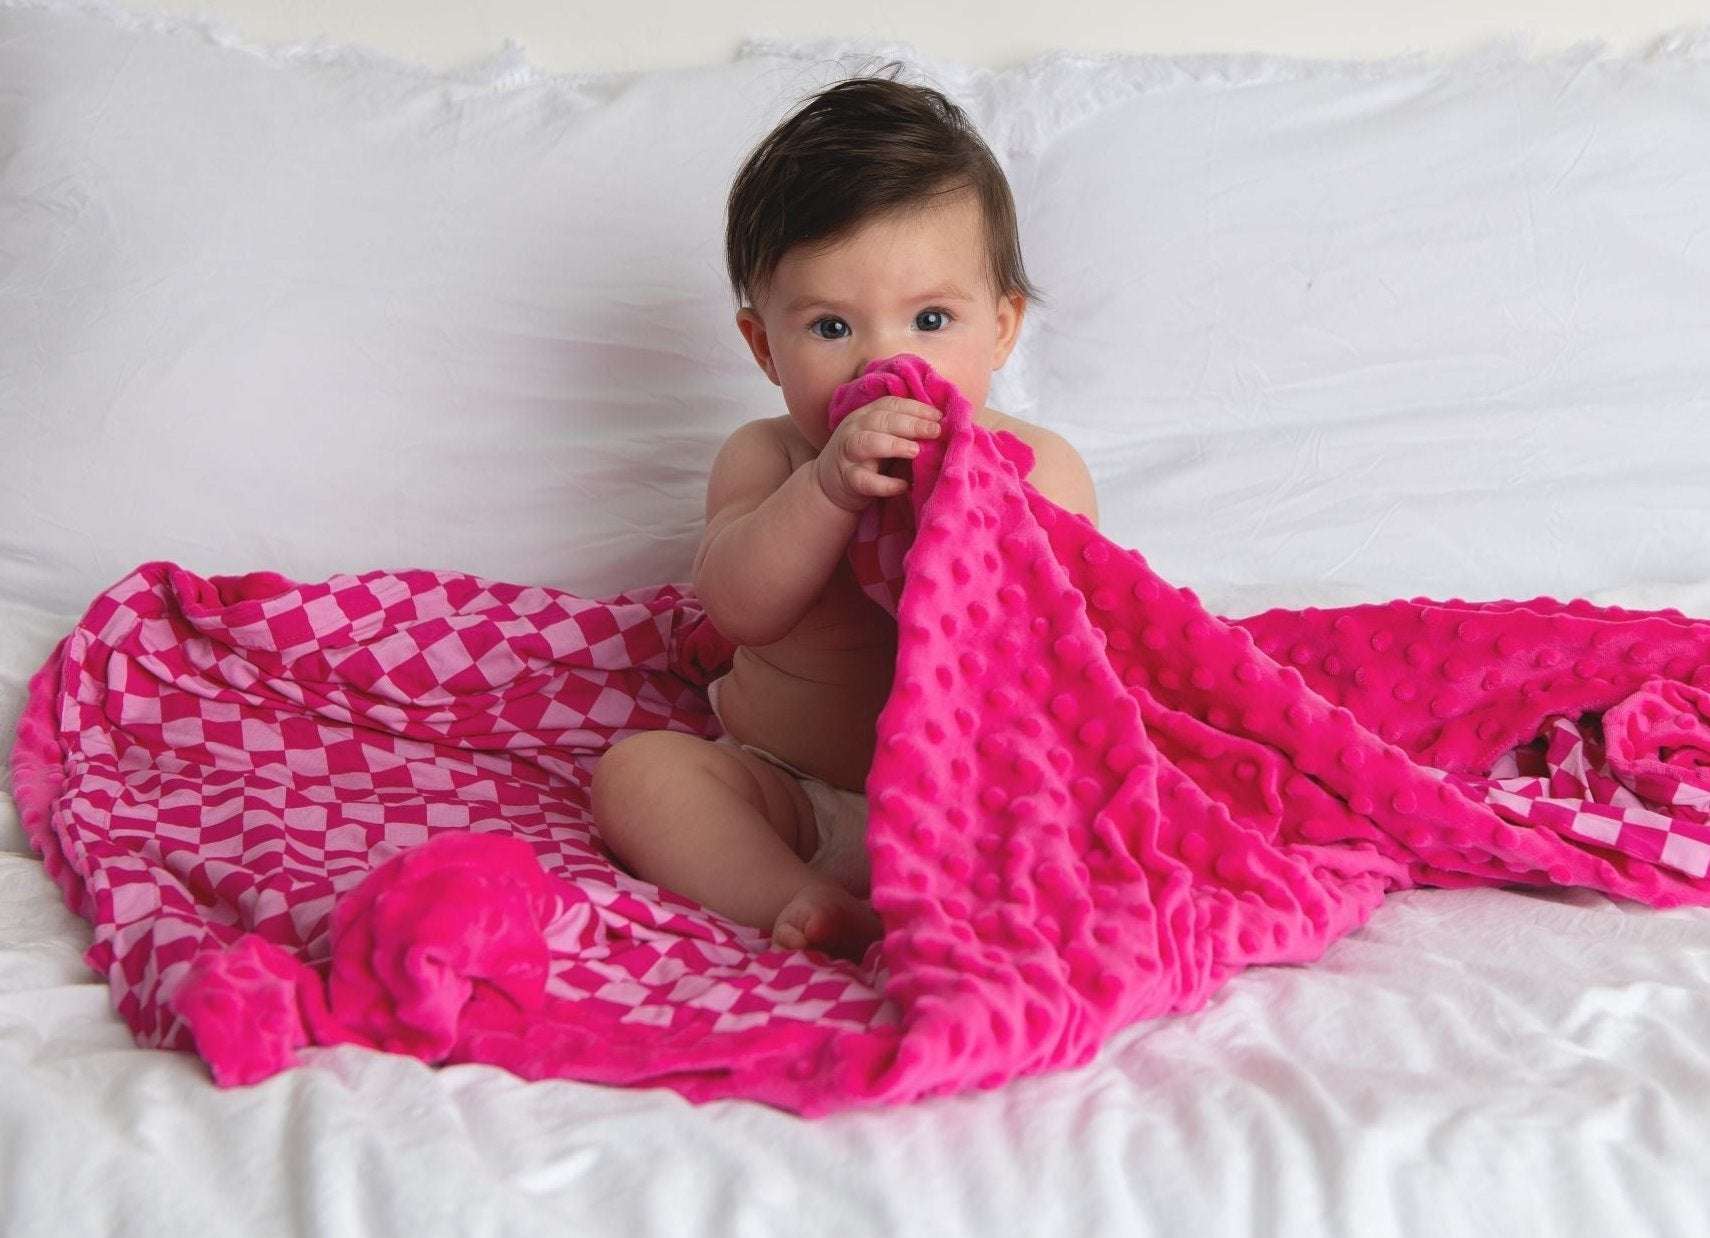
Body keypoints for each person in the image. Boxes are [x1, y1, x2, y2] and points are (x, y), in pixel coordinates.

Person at [591, 67, 1100, 961]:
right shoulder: (771, 457)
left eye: (932, 318)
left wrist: (979, 514)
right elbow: (741, 608)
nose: (884, 359)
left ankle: (981, 897)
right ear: (764, 345)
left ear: (1004, 326)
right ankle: (796, 898)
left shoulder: (1043, 469)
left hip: (973, 799)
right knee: (641, 776)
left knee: (1100, 798)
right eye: (831, 327)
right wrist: (826, 489)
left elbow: (1069, 654)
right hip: (792, 789)